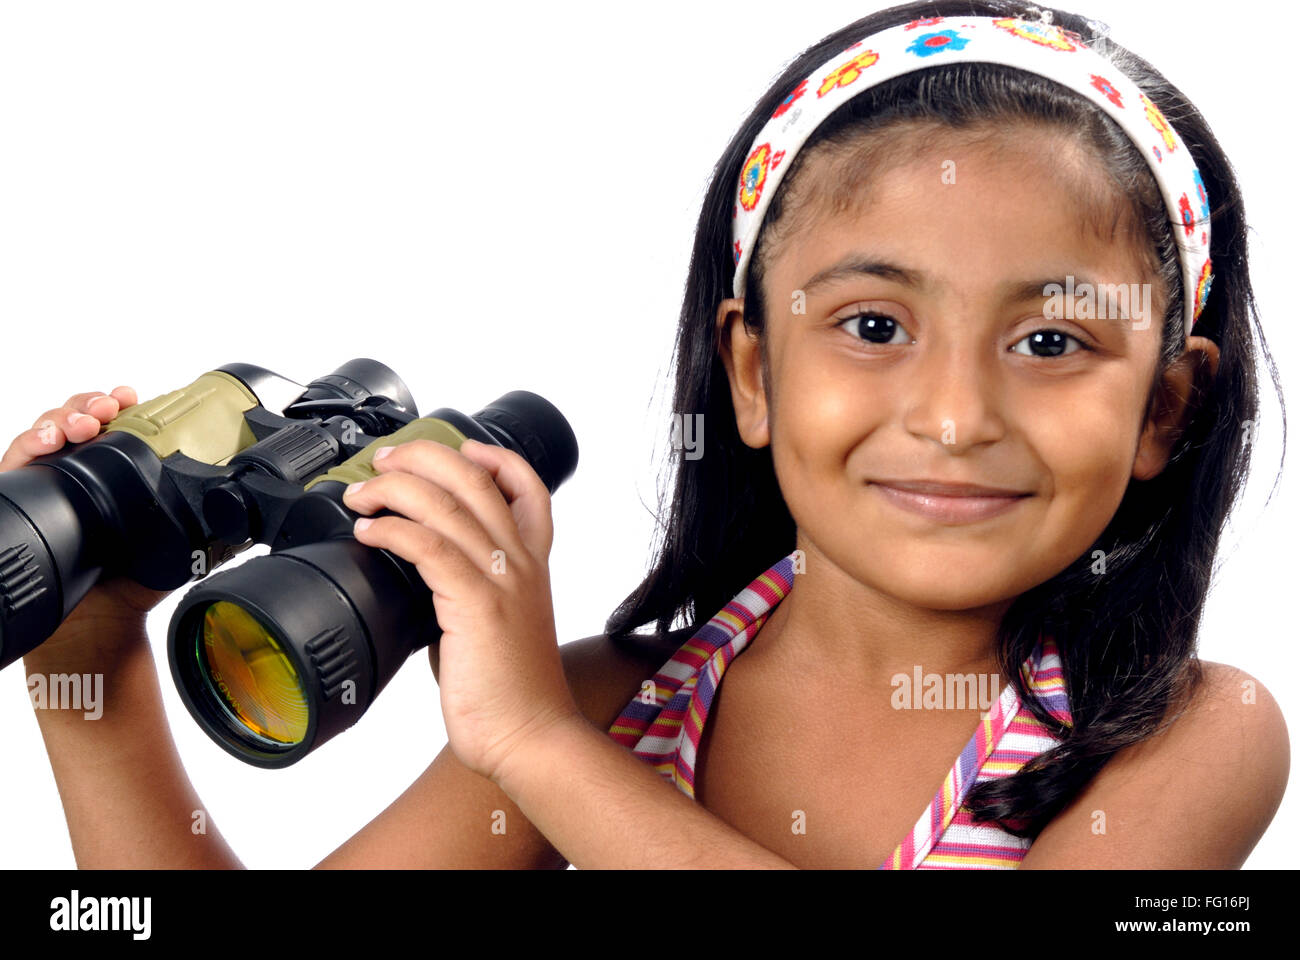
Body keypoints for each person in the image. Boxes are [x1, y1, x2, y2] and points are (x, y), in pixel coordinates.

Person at [7, 0, 1289, 869]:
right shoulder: (617, 705)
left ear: (1162, 410)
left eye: (1051, 343)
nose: (952, 418)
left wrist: (532, 745)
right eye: (873, 326)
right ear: (751, 371)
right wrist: (90, 675)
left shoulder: (1196, 735)